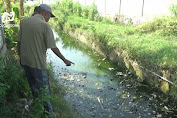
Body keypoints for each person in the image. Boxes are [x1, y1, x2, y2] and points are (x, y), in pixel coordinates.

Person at [17, 4, 74, 114]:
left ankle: (38, 108)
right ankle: (49, 114)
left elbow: (19, 42)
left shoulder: (24, 22)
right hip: (38, 65)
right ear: (45, 13)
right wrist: (65, 60)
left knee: (33, 87)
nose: (49, 19)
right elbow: (53, 47)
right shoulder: (45, 26)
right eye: (49, 16)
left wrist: (20, 57)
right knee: (45, 92)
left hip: (25, 62)